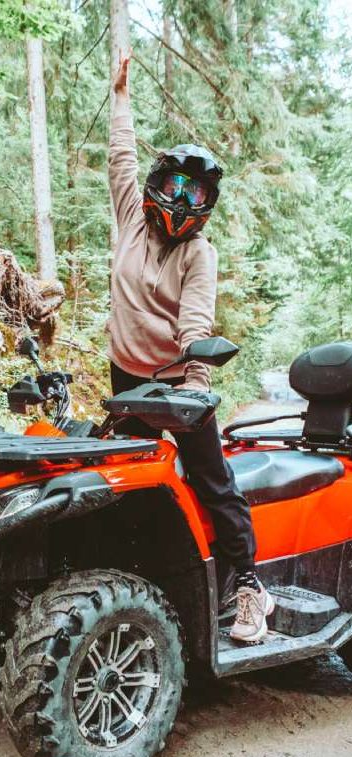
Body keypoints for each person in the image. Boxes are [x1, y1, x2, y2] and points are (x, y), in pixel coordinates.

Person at [108, 53, 274, 643]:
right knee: (116, 481)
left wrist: (195, 388)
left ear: (207, 202)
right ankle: (136, 582)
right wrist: (121, 95)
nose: (182, 198)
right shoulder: (130, 213)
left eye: (195, 190)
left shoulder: (198, 253)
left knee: (211, 477)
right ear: (157, 187)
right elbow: (121, 156)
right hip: (126, 378)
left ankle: (251, 586)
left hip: (180, 380)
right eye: (175, 184)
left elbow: (195, 321)